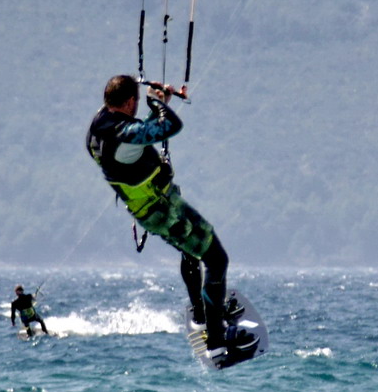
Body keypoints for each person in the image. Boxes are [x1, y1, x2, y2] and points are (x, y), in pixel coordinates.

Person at [86, 74, 255, 358]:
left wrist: (158, 103)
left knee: (191, 252)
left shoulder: (98, 125)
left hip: (145, 209)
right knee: (216, 258)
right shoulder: (124, 133)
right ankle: (216, 338)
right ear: (129, 102)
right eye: (136, 102)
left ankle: (204, 312)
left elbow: (141, 133)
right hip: (164, 210)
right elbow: (171, 126)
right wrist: (156, 103)